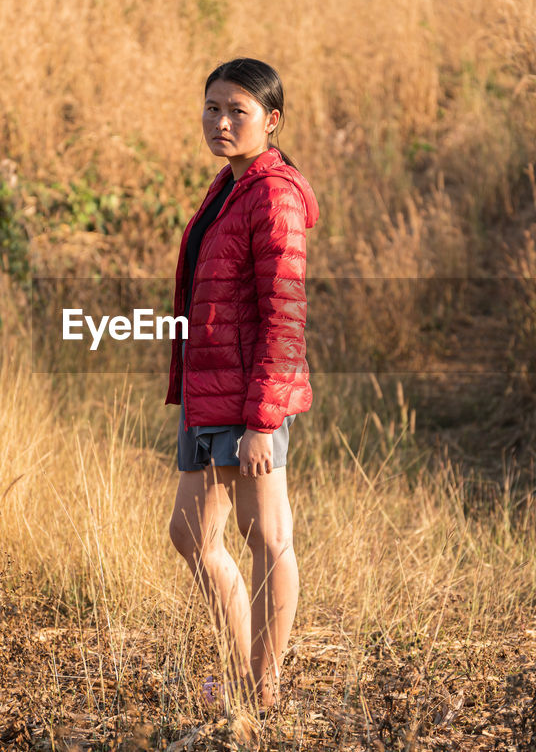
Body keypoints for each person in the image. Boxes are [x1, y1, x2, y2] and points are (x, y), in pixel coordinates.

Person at [165, 58, 319, 715]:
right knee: (191, 535)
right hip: (212, 393)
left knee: (267, 538)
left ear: (271, 120)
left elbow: (283, 314)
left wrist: (262, 419)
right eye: (213, 108)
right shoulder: (228, 186)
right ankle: (239, 679)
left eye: (239, 111)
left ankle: (264, 690)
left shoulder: (274, 194)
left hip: (249, 398)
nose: (222, 122)